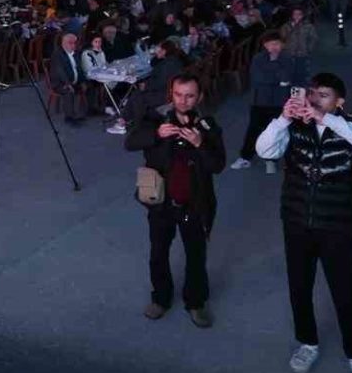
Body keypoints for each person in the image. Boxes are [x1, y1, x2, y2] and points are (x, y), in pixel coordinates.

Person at [254, 72, 352, 373]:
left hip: (337, 225)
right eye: (312, 93)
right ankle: (307, 341)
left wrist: (327, 119)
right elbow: (265, 150)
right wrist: (283, 119)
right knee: (299, 287)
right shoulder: (294, 126)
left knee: (345, 293)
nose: (314, 100)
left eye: (323, 95)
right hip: (297, 221)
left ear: (340, 102)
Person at [125, 74, 226, 327]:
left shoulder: (207, 125)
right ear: (171, 94)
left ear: (199, 97)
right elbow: (130, 142)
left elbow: (217, 165)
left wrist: (200, 144)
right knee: (158, 252)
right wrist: (157, 134)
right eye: (178, 95)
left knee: (196, 255)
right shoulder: (155, 118)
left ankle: (196, 302)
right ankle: (160, 298)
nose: (183, 101)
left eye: (190, 96)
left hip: (195, 203)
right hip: (161, 201)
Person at [231, 31, 291, 172]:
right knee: (254, 129)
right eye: (270, 44)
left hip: (280, 101)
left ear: (282, 44)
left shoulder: (288, 59)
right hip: (260, 100)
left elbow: (286, 77)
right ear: (265, 45)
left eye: (276, 44)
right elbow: (258, 78)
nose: (273, 47)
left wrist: (272, 72)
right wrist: (277, 76)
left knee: (281, 131)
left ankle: (276, 159)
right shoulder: (258, 58)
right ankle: (246, 157)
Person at [48, 31, 86, 124]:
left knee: (91, 84)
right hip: (60, 83)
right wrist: (67, 83)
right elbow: (60, 71)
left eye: (75, 43)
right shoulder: (57, 54)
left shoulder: (76, 53)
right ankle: (69, 117)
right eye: (70, 43)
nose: (73, 45)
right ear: (63, 43)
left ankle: (90, 109)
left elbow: (79, 68)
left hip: (74, 81)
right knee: (68, 91)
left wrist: (83, 81)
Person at [282, 5, 318, 85]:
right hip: (290, 52)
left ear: (303, 15)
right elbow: (282, 37)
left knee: (302, 71)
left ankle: (301, 85)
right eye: (295, 14)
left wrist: (309, 48)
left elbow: (313, 38)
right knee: (290, 71)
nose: (297, 16)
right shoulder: (286, 26)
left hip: (303, 52)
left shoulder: (308, 26)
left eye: (299, 14)